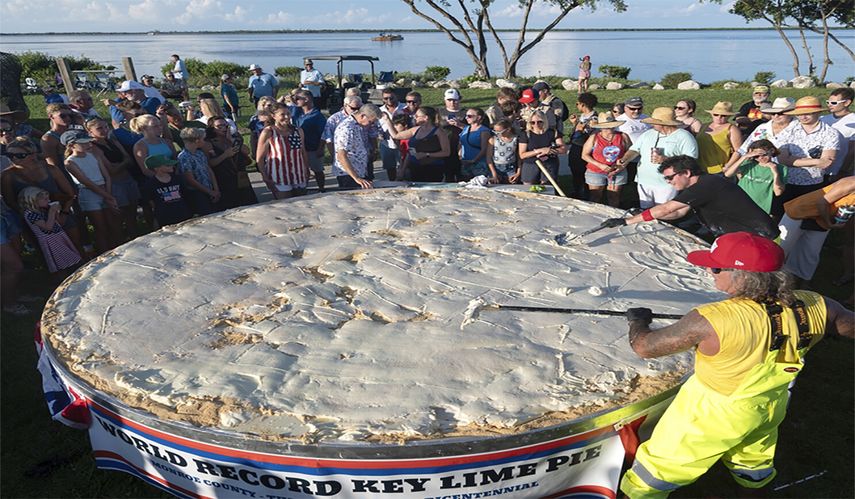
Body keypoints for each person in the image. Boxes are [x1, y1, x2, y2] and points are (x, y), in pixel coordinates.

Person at [618, 231, 853, 498]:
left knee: (653, 475)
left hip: (711, 414)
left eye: (716, 268)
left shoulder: (712, 319)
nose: (710, 271)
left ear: (743, 276)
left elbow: (645, 347)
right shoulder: (817, 304)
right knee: (753, 466)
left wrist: (637, 322)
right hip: (769, 405)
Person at [606, 155, 779, 239]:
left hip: (757, 234)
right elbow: (678, 213)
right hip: (733, 232)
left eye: (670, 177)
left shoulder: (706, 185)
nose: (668, 182)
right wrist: (646, 215)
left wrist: (627, 221)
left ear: (687, 173)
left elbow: (667, 208)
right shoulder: (699, 185)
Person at [1, 137, 82, 253]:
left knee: (75, 247)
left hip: (60, 214)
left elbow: (70, 194)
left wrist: (64, 214)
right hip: (36, 224)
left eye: (20, 155)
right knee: (50, 255)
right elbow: (10, 202)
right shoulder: (7, 176)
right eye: (10, 155)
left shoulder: (51, 169)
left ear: (33, 154)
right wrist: (34, 218)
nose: (13, 158)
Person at [777, 176, 855, 284]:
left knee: (810, 253)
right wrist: (828, 222)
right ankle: (767, 278)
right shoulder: (851, 183)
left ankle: (799, 284)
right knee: (781, 248)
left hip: (822, 218)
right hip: (801, 212)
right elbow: (822, 202)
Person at [617, 107, 698, 209]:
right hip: (644, 181)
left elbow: (691, 160)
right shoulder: (648, 134)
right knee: (645, 211)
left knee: (663, 211)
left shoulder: (684, 136)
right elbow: (634, 150)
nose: (652, 124)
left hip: (667, 183)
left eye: (654, 122)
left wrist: (666, 160)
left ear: (663, 124)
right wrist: (625, 159)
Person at [775, 96, 841, 211]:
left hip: (813, 183)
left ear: (817, 113)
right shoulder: (789, 129)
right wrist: (816, 161)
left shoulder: (831, 133)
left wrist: (792, 159)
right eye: (799, 114)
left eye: (808, 113)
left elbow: (826, 163)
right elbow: (782, 159)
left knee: (808, 215)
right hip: (787, 182)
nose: (803, 117)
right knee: (782, 213)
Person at [62, 129, 120, 254]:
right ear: (72, 145)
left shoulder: (94, 155)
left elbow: (107, 176)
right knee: (100, 227)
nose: (88, 144)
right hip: (89, 194)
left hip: (105, 189)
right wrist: (108, 197)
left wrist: (108, 194)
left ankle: (116, 248)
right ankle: (104, 253)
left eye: (88, 142)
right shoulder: (70, 162)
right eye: (83, 143)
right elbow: (86, 182)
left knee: (113, 223)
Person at [85, 117, 141, 240]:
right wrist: (123, 163)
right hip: (114, 184)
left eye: (106, 127)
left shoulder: (112, 141)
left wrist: (119, 165)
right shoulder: (93, 147)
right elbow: (111, 170)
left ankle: (135, 239)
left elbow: (129, 159)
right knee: (118, 218)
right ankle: (119, 242)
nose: (104, 130)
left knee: (132, 215)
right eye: (99, 128)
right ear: (90, 131)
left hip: (128, 180)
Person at [17, 186, 81, 274]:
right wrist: (51, 211)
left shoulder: (43, 209)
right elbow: (48, 227)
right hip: (51, 241)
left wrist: (56, 212)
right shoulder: (30, 214)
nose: (49, 201)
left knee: (70, 258)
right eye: (45, 199)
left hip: (59, 236)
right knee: (62, 264)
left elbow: (59, 222)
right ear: (33, 200)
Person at [725, 97, 797, 172]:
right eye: (773, 113)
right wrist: (728, 166)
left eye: (780, 113)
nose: (776, 116)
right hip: (760, 173)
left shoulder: (799, 129)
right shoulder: (762, 128)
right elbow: (742, 150)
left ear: (791, 113)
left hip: (792, 174)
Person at [384, 106, 450, 183]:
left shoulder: (439, 132)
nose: (415, 118)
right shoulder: (415, 129)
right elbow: (396, 136)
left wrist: (426, 154)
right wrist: (387, 120)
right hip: (414, 166)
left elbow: (446, 152)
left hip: (433, 167)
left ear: (425, 118)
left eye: (417, 116)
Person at [256, 105, 309, 199]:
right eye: (282, 114)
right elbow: (260, 158)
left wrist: (306, 168)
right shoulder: (268, 132)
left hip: (298, 174)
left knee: (302, 202)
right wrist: (265, 176)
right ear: (273, 116)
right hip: (279, 176)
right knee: (285, 204)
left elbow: (303, 151)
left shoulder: (297, 131)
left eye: (288, 113)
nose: (287, 117)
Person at [204, 116, 257, 209]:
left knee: (250, 205)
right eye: (219, 126)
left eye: (225, 125)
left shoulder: (234, 138)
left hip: (240, 177)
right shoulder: (208, 143)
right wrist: (225, 155)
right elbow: (210, 163)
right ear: (212, 128)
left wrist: (232, 140)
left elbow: (247, 151)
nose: (223, 128)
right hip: (224, 179)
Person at [722, 139, 786, 215]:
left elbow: (778, 192)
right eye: (756, 156)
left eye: (764, 154)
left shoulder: (781, 168)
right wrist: (744, 157)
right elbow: (727, 174)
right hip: (740, 204)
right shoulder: (749, 164)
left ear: (772, 151)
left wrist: (775, 173)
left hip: (760, 208)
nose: (760, 158)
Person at [580, 113, 631, 207]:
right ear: (601, 128)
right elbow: (584, 155)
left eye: (611, 126)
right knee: (595, 196)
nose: (610, 129)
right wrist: (600, 165)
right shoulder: (594, 137)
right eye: (606, 127)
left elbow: (630, 153)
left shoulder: (623, 136)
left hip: (617, 171)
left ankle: (614, 214)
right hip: (596, 171)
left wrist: (623, 163)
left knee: (614, 196)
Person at [333, 104, 382, 190]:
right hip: (349, 175)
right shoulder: (347, 128)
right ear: (363, 116)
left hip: (359, 171)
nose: (372, 125)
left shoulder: (358, 126)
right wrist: (356, 178)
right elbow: (341, 155)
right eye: (371, 122)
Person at [177, 127, 220, 215]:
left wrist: (216, 189)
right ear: (197, 141)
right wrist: (209, 192)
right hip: (198, 193)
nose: (204, 142)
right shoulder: (184, 157)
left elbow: (209, 169)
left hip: (210, 188)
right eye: (203, 139)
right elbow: (190, 179)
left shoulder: (200, 153)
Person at [518, 110, 566, 187]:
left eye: (539, 122)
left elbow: (563, 149)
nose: (536, 124)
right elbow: (522, 155)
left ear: (544, 121)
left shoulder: (553, 132)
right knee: (528, 187)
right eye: (532, 122)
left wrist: (549, 151)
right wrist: (539, 151)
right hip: (531, 164)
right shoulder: (525, 134)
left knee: (547, 187)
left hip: (549, 164)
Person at [142, 155, 191, 228]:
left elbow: (186, 196)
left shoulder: (178, 179)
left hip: (184, 214)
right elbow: (151, 203)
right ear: (156, 168)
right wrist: (155, 219)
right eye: (167, 165)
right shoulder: (150, 185)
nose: (172, 166)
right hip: (165, 218)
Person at [293, 90, 328, 192]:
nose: (296, 101)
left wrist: (320, 148)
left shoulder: (317, 115)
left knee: (317, 170)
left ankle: (321, 188)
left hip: (313, 148)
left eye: (298, 99)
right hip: (299, 148)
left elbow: (323, 133)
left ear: (306, 99)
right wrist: (292, 98)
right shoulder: (297, 112)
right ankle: (303, 188)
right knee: (301, 170)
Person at [566, 92, 598, 199]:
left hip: (584, 148)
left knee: (583, 172)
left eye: (577, 104)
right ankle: (577, 191)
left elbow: (590, 135)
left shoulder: (594, 119)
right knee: (575, 171)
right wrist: (575, 123)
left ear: (583, 104)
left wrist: (580, 130)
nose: (577, 106)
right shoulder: (582, 117)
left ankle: (586, 194)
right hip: (575, 148)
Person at [697, 101, 743, 174]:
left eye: (723, 115)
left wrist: (728, 166)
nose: (719, 117)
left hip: (719, 169)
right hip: (699, 167)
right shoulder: (704, 126)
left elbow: (739, 151)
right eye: (716, 114)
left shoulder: (732, 129)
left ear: (729, 116)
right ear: (711, 114)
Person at [820, 87, 854, 179]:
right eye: (828, 102)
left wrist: (843, 171)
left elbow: (852, 151)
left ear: (847, 103)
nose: (830, 105)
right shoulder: (822, 119)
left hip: (838, 171)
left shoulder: (853, 121)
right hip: (819, 170)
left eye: (834, 103)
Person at [617, 96, 651, 185]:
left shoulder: (646, 118)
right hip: (629, 159)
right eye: (632, 109)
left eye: (639, 108)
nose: (636, 111)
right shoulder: (619, 121)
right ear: (625, 108)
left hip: (646, 158)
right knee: (629, 184)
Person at [131, 114, 176, 180]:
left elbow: (175, 160)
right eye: (155, 126)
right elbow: (146, 170)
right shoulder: (140, 146)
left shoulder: (167, 142)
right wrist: (163, 179)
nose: (160, 128)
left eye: (160, 125)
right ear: (143, 128)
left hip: (173, 177)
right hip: (157, 181)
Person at [378, 88, 406, 181]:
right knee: (390, 167)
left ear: (396, 96)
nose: (389, 100)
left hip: (403, 141)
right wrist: (378, 134)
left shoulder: (404, 108)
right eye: (386, 98)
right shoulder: (379, 110)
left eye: (391, 98)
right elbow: (375, 126)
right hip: (386, 143)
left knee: (405, 166)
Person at [458, 107, 491, 180]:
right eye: (466, 116)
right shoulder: (466, 129)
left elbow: (485, 149)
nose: (466, 118)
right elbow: (461, 144)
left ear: (478, 117)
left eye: (469, 116)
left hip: (479, 163)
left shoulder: (484, 131)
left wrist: (474, 160)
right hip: (465, 162)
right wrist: (460, 156)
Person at [485, 118, 519, 184]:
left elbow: (519, 157)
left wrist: (518, 172)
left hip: (511, 167)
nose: (497, 133)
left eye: (499, 132)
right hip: (496, 167)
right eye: (495, 131)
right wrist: (494, 173)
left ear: (508, 129)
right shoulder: (493, 139)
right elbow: (489, 157)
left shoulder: (516, 139)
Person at [439, 88, 463, 182]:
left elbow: (474, 128)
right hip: (444, 147)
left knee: (461, 175)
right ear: (445, 100)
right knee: (447, 175)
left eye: (455, 100)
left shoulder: (466, 113)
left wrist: (460, 125)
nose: (452, 103)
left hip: (461, 147)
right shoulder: (439, 112)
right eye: (449, 100)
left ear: (459, 99)